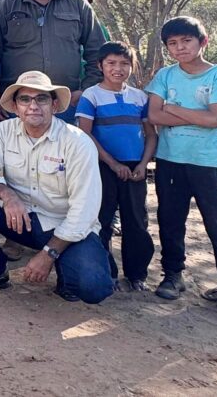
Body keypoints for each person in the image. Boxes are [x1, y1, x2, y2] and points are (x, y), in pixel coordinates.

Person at [0, 71, 113, 303]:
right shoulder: (3, 131)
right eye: (25, 99)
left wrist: (49, 254)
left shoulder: (77, 142)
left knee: (93, 287)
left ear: (54, 104)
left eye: (41, 99)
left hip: (63, 227)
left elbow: (84, 211)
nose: (33, 106)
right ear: (15, 106)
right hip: (22, 220)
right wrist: (8, 195)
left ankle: (66, 268)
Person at [146, 16, 217, 325]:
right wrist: (194, 115)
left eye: (186, 41)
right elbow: (154, 114)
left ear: (202, 42)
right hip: (170, 160)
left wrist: (174, 109)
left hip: (208, 163)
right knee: (169, 220)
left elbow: (215, 120)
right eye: (173, 44)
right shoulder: (164, 75)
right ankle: (172, 275)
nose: (180, 48)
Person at [0, 0, 107, 122]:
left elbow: (97, 53)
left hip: (66, 104)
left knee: (64, 150)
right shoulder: (4, 7)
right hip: (17, 106)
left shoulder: (78, 5)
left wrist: (85, 90)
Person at [76, 41, 157, 291]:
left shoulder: (139, 97)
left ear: (132, 67)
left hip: (135, 169)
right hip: (102, 166)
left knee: (136, 221)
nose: (117, 69)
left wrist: (144, 164)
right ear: (100, 65)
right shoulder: (92, 95)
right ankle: (105, 271)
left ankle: (136, 274)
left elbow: (151, 135)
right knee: (102, 220)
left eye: (124, 63)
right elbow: (85, 134)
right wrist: (111, 163)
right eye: (111, 63)